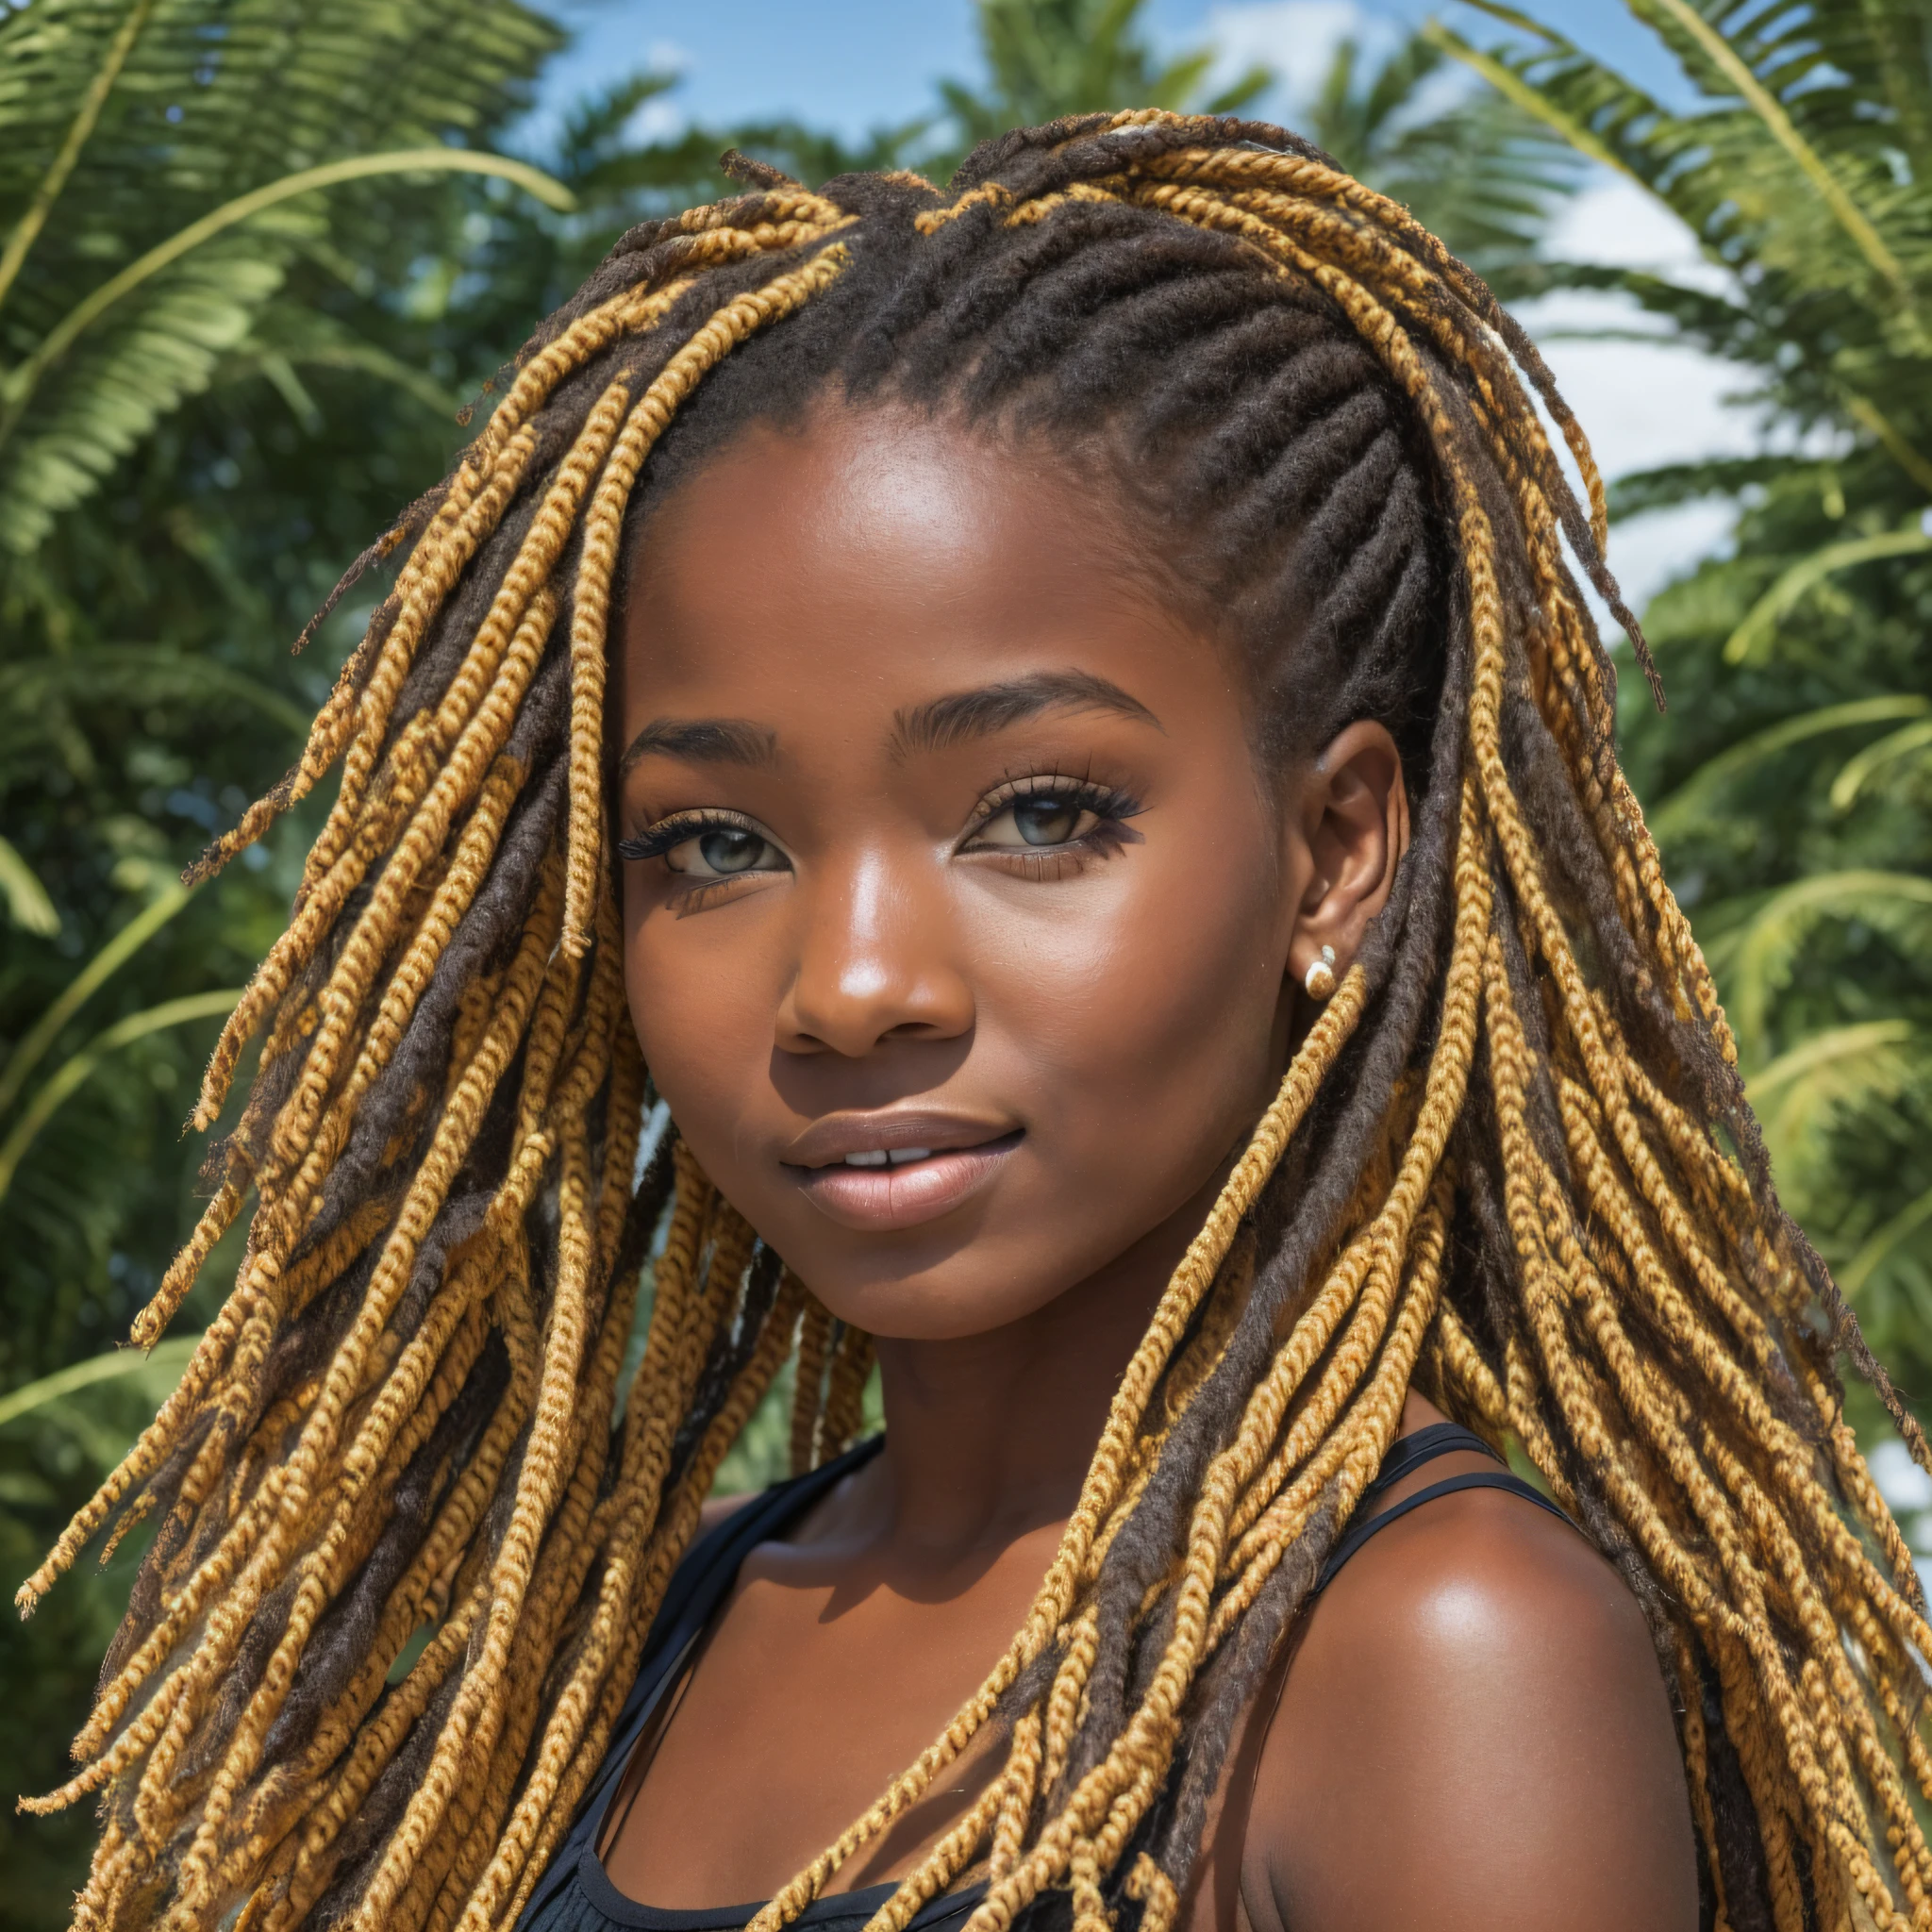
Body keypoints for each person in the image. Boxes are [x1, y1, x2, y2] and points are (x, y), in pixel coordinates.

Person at [20, 112, 1932, 1932]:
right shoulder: (650, 1629)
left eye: (1040, 814)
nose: (851, 983)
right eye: (715, 840)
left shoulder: (1430, 1644)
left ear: (1337, 851)